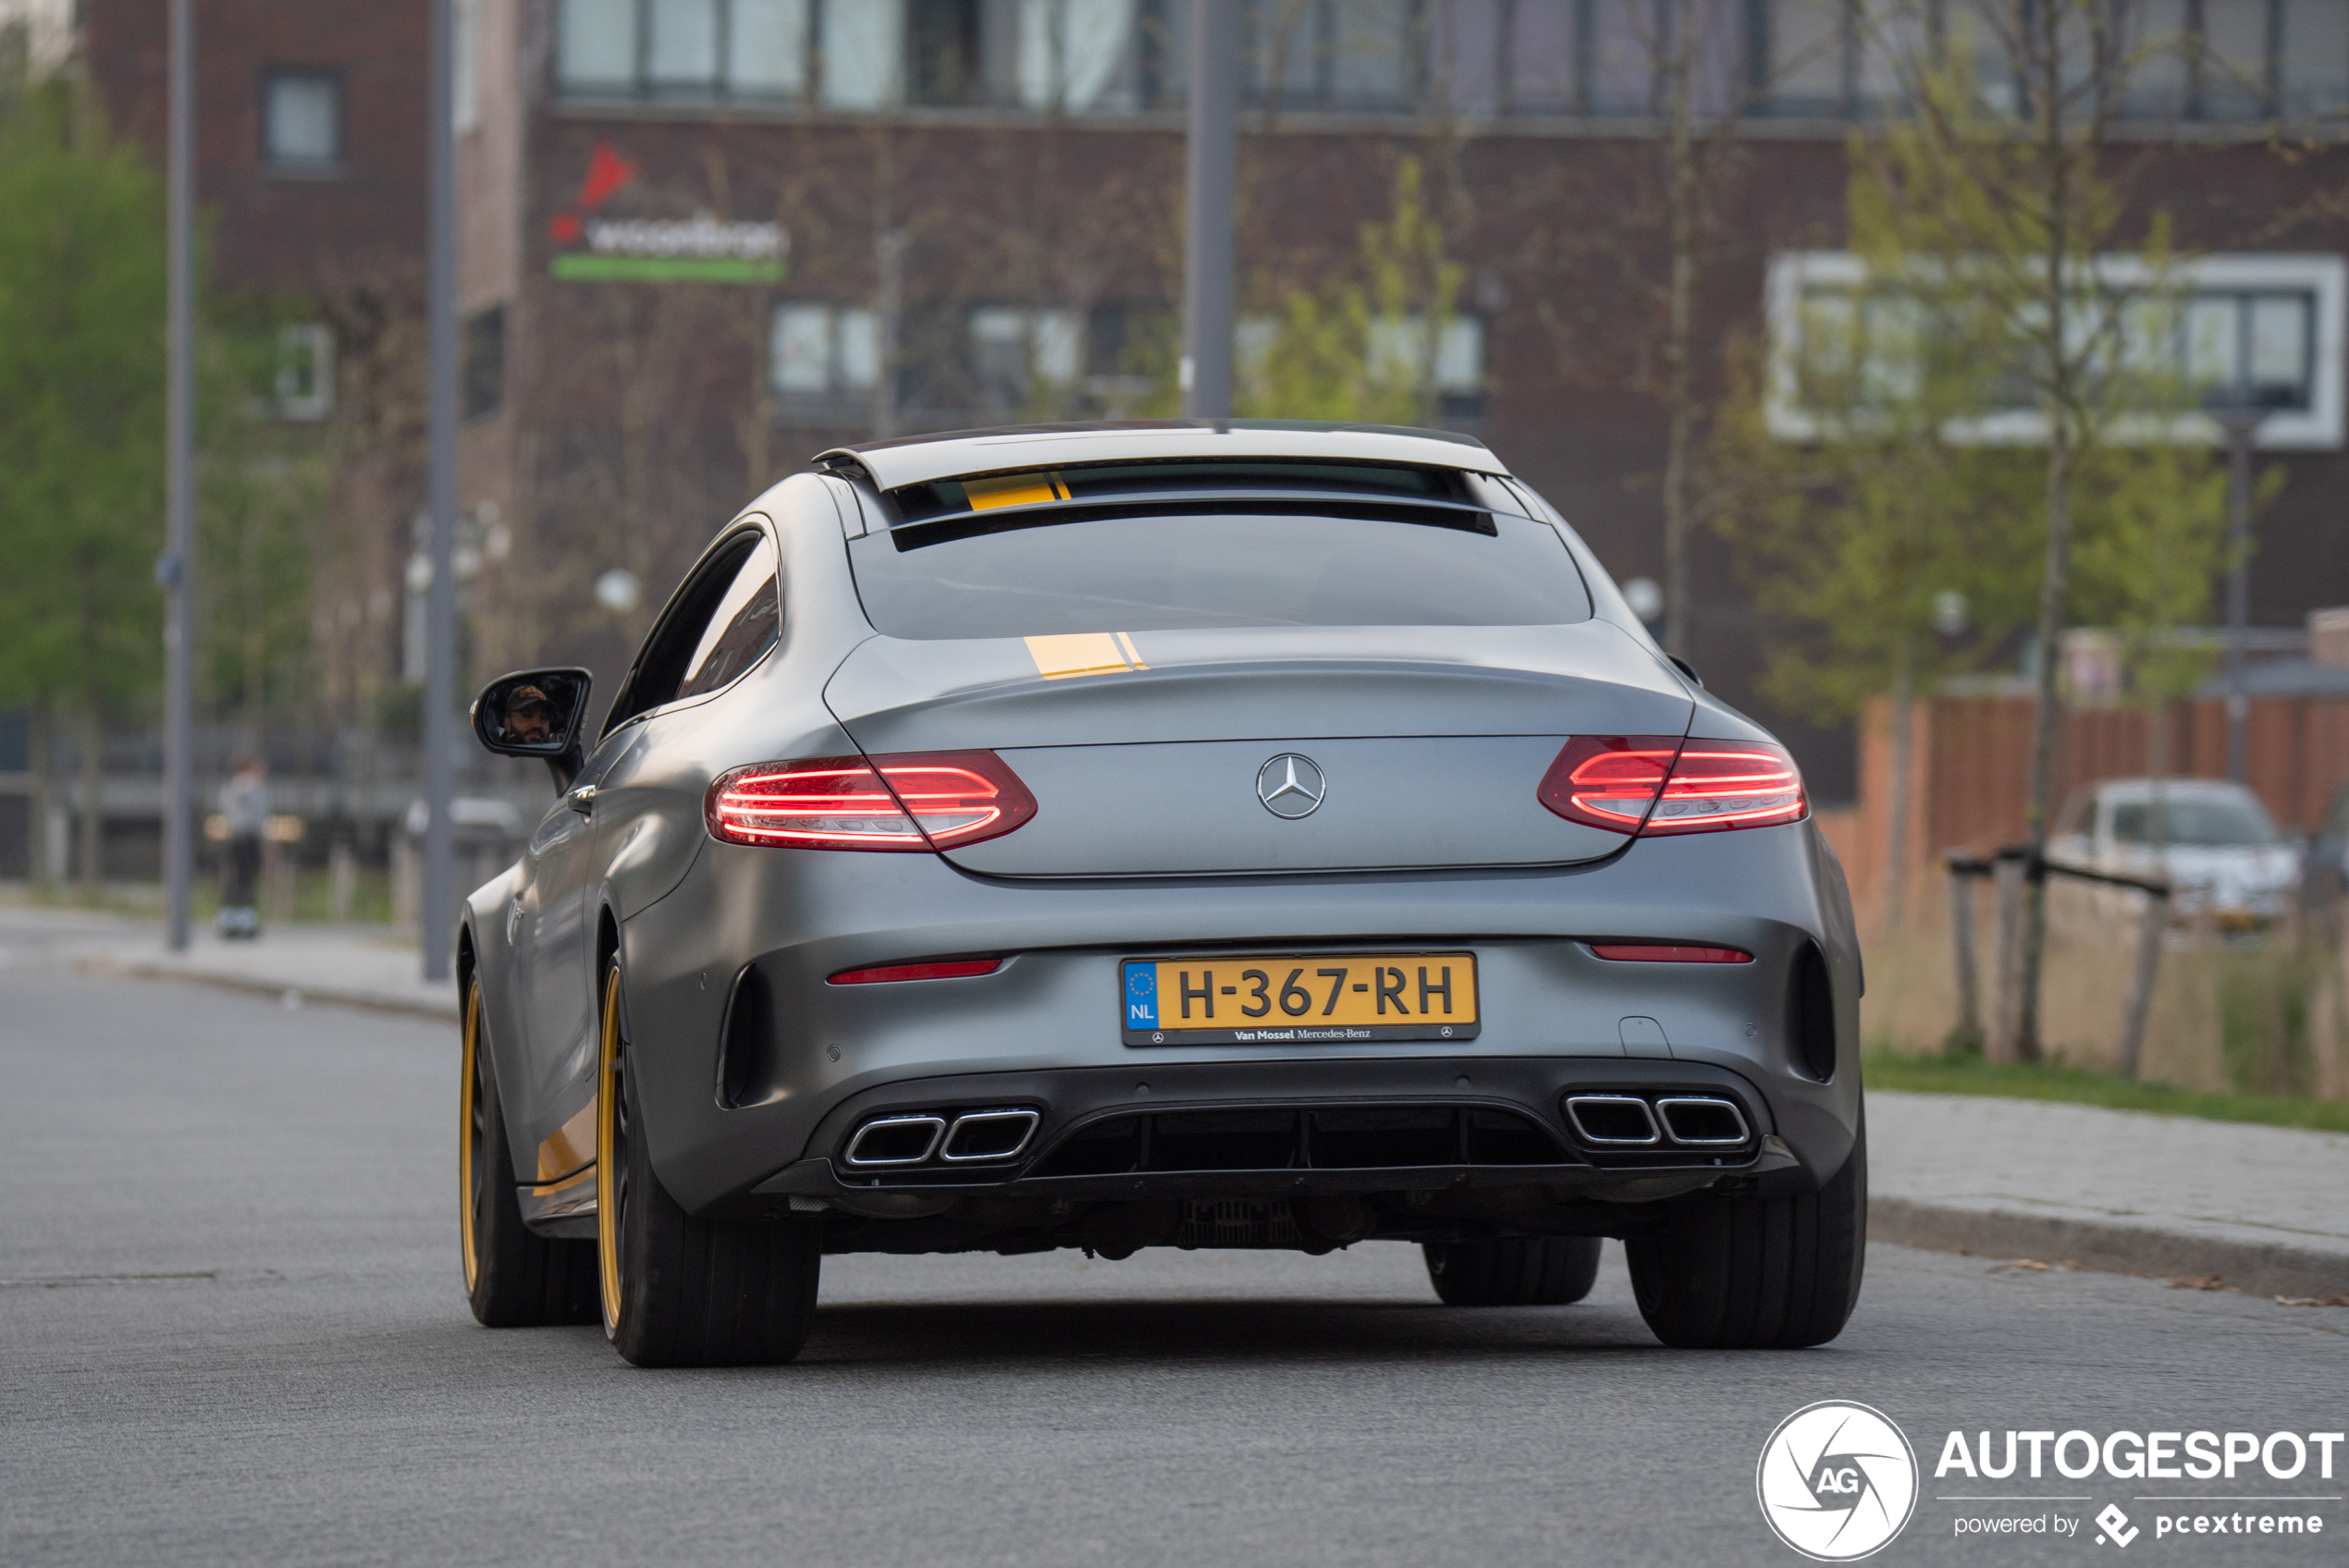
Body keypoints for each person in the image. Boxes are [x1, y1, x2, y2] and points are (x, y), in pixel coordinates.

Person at [217, 755, 268, 939]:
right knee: (247, 881)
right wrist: (268, 844)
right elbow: (260, 818)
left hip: (233, 837)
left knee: (233, 880)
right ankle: (246, 923)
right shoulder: (256, 788)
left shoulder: (230, 787)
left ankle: (228, 922)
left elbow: (224, 809)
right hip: (250, 837)